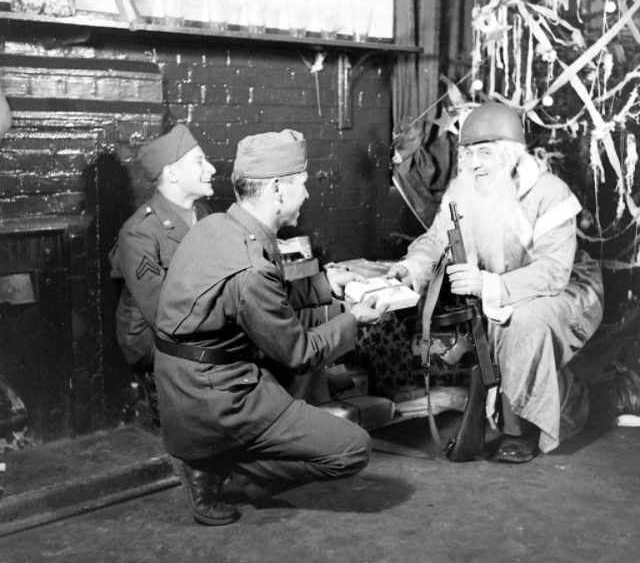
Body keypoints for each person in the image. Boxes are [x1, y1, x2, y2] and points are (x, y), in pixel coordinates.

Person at [154, 129, 386, 526]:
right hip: (220, 399)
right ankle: (226, 470)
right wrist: (353, 319)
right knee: (352, 449)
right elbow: (298, 353)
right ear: (278, 189)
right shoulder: (251, 265)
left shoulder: (217, 228)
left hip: (185, 390)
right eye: (303, 184)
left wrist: (326, 285)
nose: (308, 195)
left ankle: (217, 460)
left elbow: (257, 301)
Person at [388, 102, 603, 463]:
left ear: (511, 155)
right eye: (468, 153)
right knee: (507, 318)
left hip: (568, 289)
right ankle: (558, 395)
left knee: (521, 321)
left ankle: (519, 431)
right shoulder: (464, 189)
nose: (474, 163)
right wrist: (412, 267)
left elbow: (553, 271)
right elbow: (436, 239)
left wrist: (487, 285)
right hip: (502, 288)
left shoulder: (550, 192)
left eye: (485, 153)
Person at [109, 124, 216, 426]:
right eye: (199, 161)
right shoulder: (140, 232)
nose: (210, 169)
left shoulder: (205, 215)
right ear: (171, 173)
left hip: (199, 326)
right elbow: (163, 314)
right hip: (154, 340)